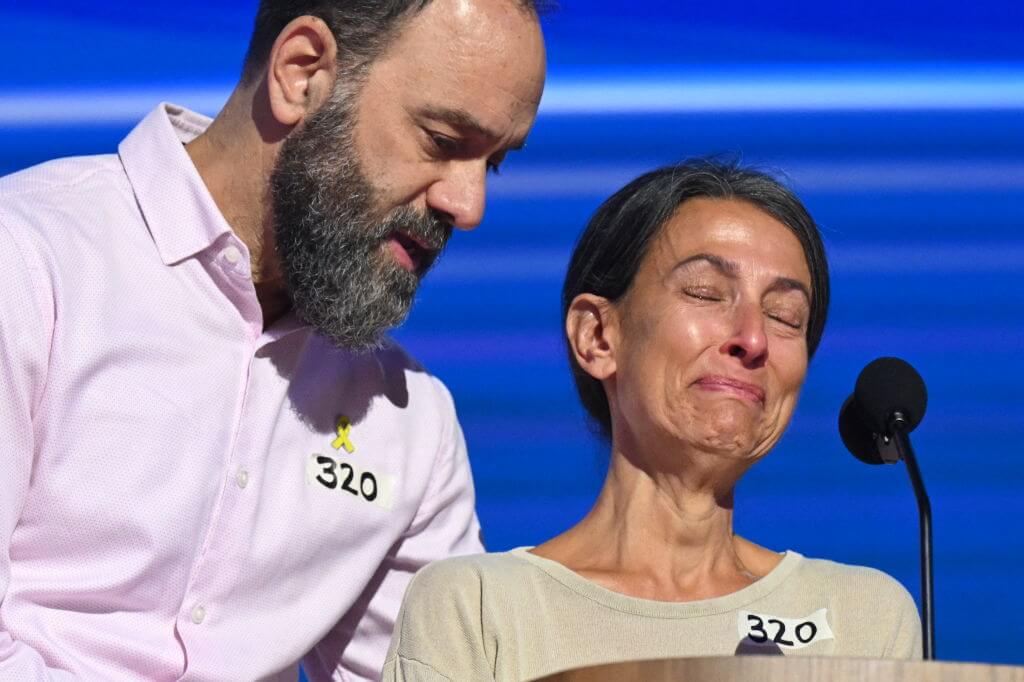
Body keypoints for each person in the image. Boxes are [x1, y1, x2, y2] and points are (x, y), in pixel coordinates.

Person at [0, 1, 545, 679]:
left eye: (492, 165)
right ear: (302, 72)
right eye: (441, 139)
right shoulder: (25, 264)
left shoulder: (412, 421)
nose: (468, 207)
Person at [383, 160, 923, 681]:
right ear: (598, 337)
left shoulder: (864, 618)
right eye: (706, 293)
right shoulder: (477, 609)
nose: (753, 339)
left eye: (785, 317)